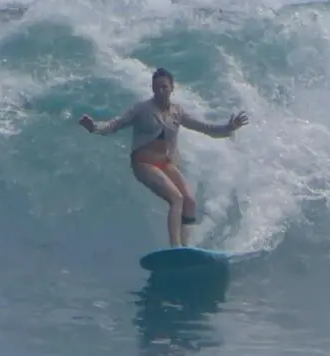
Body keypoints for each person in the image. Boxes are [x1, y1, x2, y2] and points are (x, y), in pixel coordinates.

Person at [77, 68, 249, 248]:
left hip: (165, 164)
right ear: (152, 89)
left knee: (189, 200)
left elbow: (205, 128)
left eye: (164, 87)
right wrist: (94, 127)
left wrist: (229, 128)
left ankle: (185, 247)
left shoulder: (177, 112)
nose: (161, 91)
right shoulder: (141, 109)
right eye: (157, 88)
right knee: (177, 198)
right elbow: (115, 125)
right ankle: (175, 248)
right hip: (144, 163)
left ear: (172, 88)